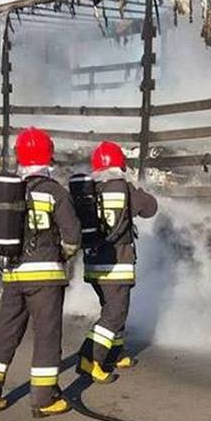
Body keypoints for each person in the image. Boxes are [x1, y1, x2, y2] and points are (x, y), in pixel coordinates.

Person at [0, 127, 81, 418]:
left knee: (6, 333)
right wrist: (64, 255)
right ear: (49, 156)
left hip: (12, 275)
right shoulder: (55, 192)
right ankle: (44, 399)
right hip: (45, 277)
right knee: (46, 334)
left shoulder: (11, 190)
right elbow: (72, 235)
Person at [77, 140, 157, 382]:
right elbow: (150, 208)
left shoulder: (89, 190)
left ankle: (115, 352)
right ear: (120, 164)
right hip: (116, 265)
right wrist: (136, 188)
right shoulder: (124, 188)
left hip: (93, 264)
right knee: (115, 313)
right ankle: (91, 358)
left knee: (113, 309)